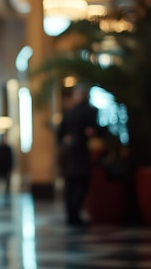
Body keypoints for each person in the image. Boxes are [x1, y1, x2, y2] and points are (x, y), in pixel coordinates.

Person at [56, 84, 99, 226]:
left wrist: (65, 141)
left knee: (73, 184)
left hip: (71, 153)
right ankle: (73, 215)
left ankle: (72, 215)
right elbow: (94, 131)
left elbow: (60, 134)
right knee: (79, 183)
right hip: (78, 152)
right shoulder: (89, 111)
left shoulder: (69, 112)